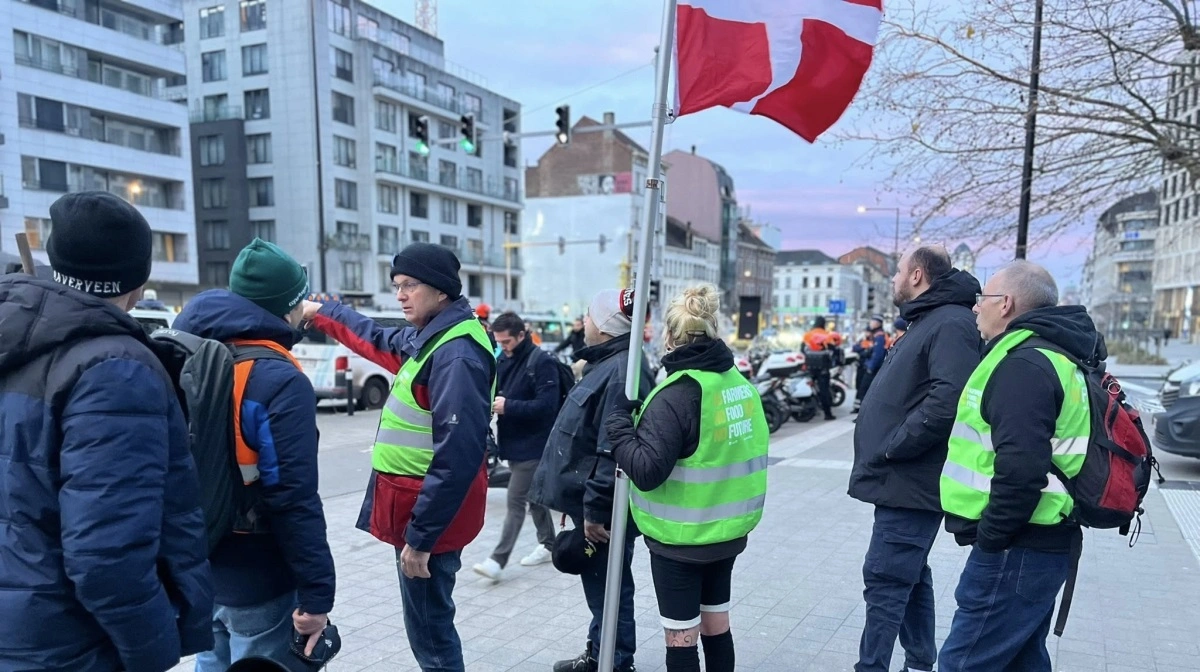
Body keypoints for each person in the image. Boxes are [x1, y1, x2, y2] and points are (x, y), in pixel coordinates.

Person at [0, 191, 212, 671]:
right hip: (68, 641)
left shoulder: (15, 338)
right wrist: (151, 650)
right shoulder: (114, 369)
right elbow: (105, 557)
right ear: (137, 283)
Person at [301, 243, 494, 672]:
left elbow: (456, 457)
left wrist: (420, 540)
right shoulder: (434, 337)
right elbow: (374, 337)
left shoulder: (456, 354)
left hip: (429, 522)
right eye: (397, 286)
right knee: (429, 626)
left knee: (431, 634)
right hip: (421, 513)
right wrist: (322, 312)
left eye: (410, 285)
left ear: (441, 291)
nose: (400, 295)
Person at [174, 239, 337, 670]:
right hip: (259, 574)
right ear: (285, 306)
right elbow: (293, 497)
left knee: (210, 661)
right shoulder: (276, 379)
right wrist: (317, 593)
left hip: (200, 562)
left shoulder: (187, 356)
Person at [938, 262, 1094, 671]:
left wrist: (992, 539)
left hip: (1017, 547)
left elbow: (1022, 468)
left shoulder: (1023, 365)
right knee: (1022, 661)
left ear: (1005, 304)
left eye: (982, 299)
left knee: (961, 663)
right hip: (1038, 543)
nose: (975, 309)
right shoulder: (1056, 357)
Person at [604, 285, 768, 672]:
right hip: (727, 534)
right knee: (716, 623)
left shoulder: (677, 394)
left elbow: (645, 471)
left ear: (669, 337)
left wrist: (618, 427)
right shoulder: (739, 386)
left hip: (681, 539)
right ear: (713, 328)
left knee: (681, 636)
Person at [847, 246, 982, 672]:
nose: (894, 279)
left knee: (885, 580)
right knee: (910, 574)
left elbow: (948, 399)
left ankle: (872, 668)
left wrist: (894, 445)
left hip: (910, 480)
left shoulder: (951, 323)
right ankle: (921, 663)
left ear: (918, 275)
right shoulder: (932, 319)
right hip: (902, 482)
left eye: (899, 271)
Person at [530, 288, 656, 672]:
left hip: (604, 511)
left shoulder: (622, 372)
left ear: (604, 326)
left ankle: (614, 662)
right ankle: (601, 653)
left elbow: (611, 451)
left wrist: (595, 510)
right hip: (593, 503)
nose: (583, 322)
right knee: (604, 586)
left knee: (610, 588)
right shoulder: (612, 364)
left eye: (588, 316)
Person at [473, 312, 560, 581]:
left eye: (507, 341)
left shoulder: (542, 362)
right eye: (499, 342)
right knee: (534, 498)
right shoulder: (503, 359)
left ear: (522, 335)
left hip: (535, 446)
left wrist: (508, 406)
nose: (503, 346)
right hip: (513, 443)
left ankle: (497, 561)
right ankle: (549, 543)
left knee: (515, 500)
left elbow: (548, 406)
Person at [802, 316, 838, 420]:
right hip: (823, 368)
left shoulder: (808, 335)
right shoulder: (827, 335)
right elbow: (833, 350)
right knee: (824, 390)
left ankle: (809, 409)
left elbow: (802, 349)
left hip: (810, 366)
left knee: (808, 386)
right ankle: (827, 414)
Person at [852, 315, 888, 414]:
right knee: (863, 389)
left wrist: (870, 368)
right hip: (868, 366)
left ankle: (864, 414)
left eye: (872, 321)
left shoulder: (879, 336)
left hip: (872, 368)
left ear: (877, 323)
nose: (870, 323)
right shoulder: (874, 336)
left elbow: (877, 355)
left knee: (864, 390)